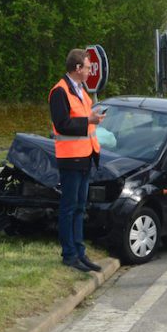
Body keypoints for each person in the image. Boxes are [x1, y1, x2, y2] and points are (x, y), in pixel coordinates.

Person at [49, 48, 107, 272]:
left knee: (80, 207)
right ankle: (69, 254)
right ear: (77, 68)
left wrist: (94, 120)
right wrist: (88, 120)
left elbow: (85, 122)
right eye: (88, 66)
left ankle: (80, 252)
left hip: (85, 156)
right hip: (70, 157)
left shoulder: (81, 90)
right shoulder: (59, 92)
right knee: (69, 207)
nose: (91, 70)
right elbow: (62, 124)